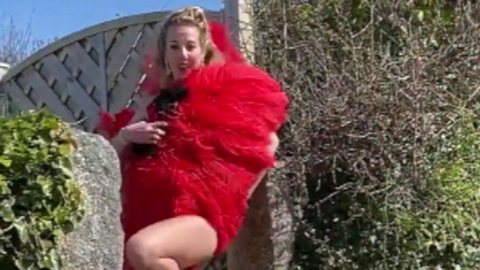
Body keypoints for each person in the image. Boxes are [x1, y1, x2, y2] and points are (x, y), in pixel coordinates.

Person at [96, 6, 289, 270]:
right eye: (174, 47)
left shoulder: (224, 90)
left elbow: (268, 142)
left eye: (190, 46)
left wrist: (237, 195)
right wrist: (126, 136)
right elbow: (106, 158)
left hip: (206, 217)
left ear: (203, 50)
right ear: (164, 52)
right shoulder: (151, 105)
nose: (183, 55)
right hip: (154, 217)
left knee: (141, 249)